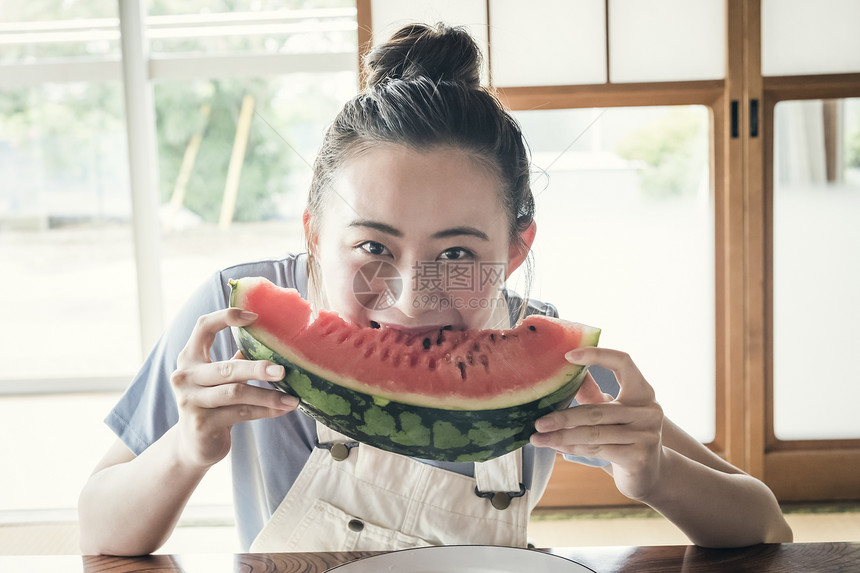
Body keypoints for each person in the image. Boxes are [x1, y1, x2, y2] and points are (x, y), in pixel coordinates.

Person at [78, 23, 792, 556]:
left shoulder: (549, 360)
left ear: (515, 250)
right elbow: (99, 530)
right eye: (371, 246)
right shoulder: (235, 319)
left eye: (456, 250)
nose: (412, 296)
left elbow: (763, 525)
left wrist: (656, 473)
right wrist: (186, 448)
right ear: (313, 234)